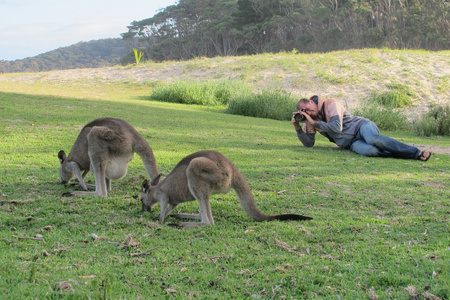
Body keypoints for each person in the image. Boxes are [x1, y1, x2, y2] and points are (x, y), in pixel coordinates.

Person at [291, 95, 432, 161]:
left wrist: (314, 123)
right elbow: (309, 144)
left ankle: (415, 153)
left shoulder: (331, 104)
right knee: (371, 151)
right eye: (304, 112)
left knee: (373, 139)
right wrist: (298, 127)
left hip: (361, 126)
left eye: (307, 109)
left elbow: (336, 128)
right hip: (351, 143)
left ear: (311, 102)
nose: (307, 113)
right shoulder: (310, 120)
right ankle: (402, 154)